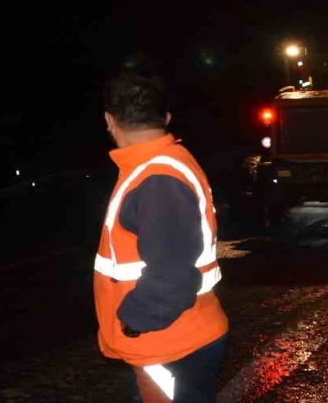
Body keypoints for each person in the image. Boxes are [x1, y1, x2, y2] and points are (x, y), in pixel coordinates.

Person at [95, 72, 229, 403]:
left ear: (110, 121)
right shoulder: (160, 165)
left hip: (166, 342)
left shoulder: (156, 178)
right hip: (176, 336)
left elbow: (171, 274)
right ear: (166, 118)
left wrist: (134, 322)